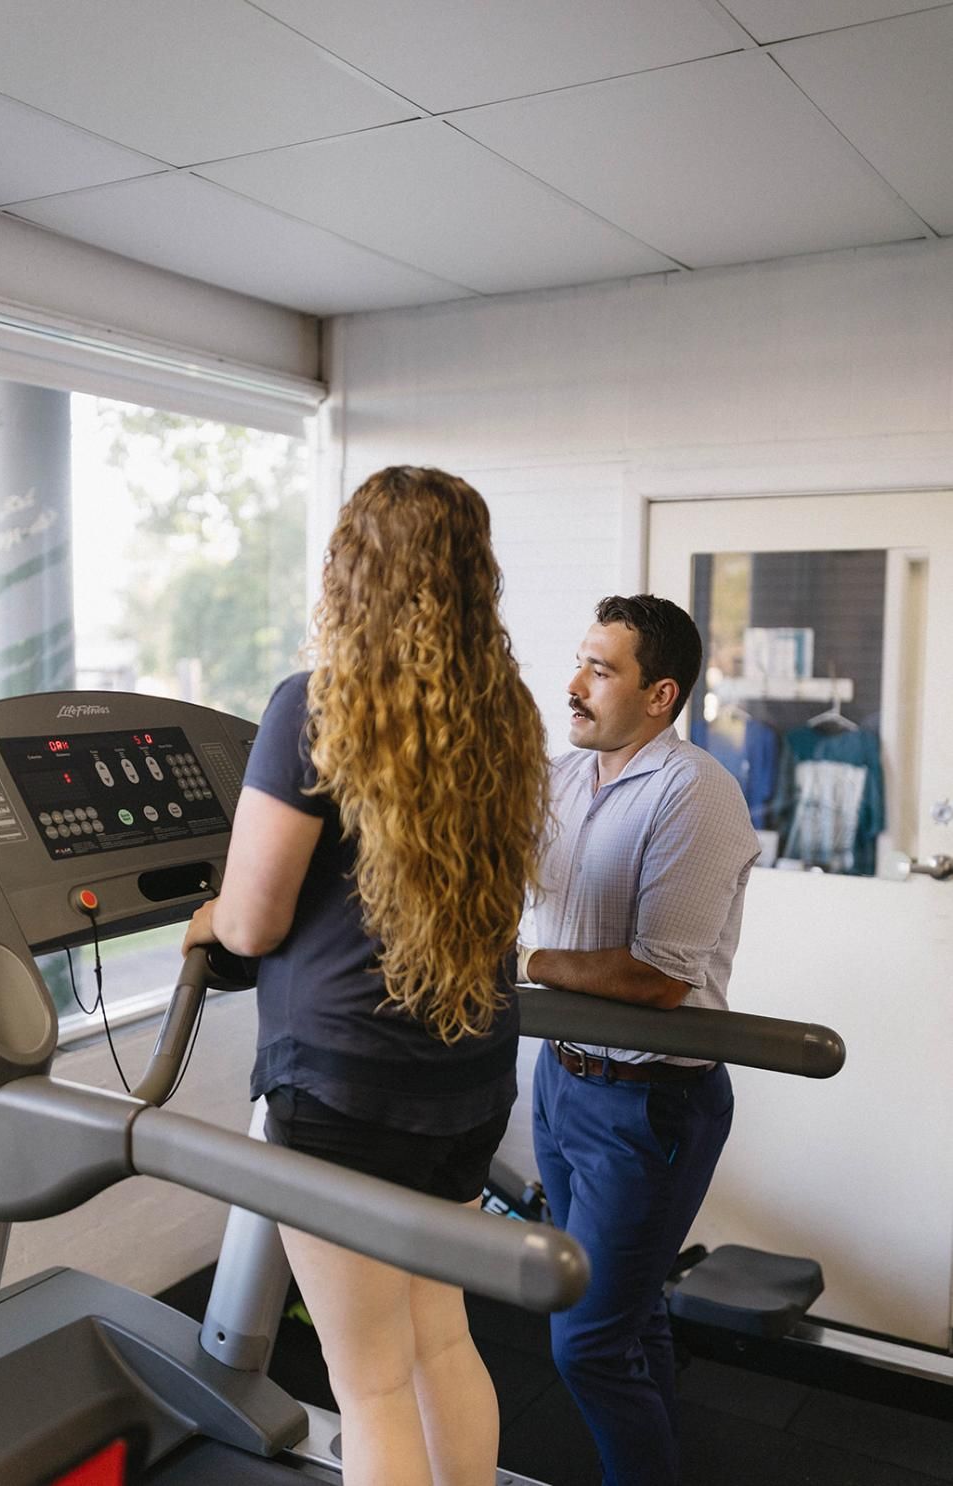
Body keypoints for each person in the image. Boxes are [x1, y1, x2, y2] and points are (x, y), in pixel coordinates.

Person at [183, 466, 549, 1486]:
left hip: (342, 1092)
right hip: (467, 1079)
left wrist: (207, 915)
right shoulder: (506, 712)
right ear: (473, 576)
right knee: (438, 1339)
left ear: (352, 568)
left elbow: (251, 922)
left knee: (371, 1382)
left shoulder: (317, 704)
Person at [517, 594, 759, 1486]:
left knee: (583, 1342)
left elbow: (658, 976)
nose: (574, 687)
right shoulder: (563, 776)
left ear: (659, 695)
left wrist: (529, 961)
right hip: (562, 1078)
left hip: (649, 1100)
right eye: (580, 663)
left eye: (601, 670)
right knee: (626, 1319)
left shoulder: (696, 793)